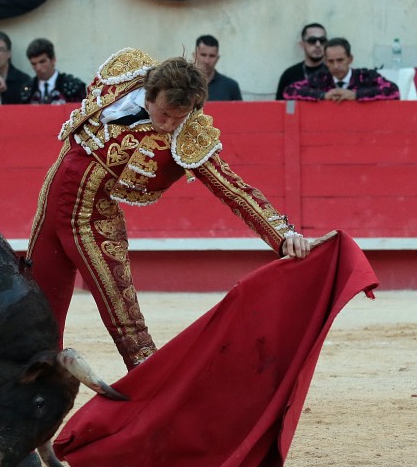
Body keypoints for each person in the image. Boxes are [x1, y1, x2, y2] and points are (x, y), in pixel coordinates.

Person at [26, 48, 311, 372]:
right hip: (52, 200)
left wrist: (283, 235)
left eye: (180, 116)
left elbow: (233, 188)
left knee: (129, 329)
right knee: (35, 310)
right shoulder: (124, 71)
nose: (170, 124)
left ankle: (157, 405)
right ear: (149, 93)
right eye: (164, 114)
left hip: (93, 219)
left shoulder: (187, 135)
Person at [283, 37, 400, 102]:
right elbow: (289, 91)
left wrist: (356, 95)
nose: (335, 66)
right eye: (331, 61)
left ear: (350, 59)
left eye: (340, 60)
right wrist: (323, 95)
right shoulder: (320, 78)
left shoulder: (365, 76)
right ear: (325, 62)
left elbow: (393, 90)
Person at [20, 38, 86, 105]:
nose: (38, 68)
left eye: (42, 62)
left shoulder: (73, 86)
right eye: (34, 64)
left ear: (53, 60)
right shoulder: (27, 90)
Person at [275, 23, 328, 100]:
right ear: (302, 45)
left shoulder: (334, 72)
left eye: (322, 40)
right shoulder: (289, 75)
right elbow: (279, 107)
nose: (318, 44)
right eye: (312, 40)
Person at [192, 34, 242, 101]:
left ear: (217, 58)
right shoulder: (182, 85)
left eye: (212, 56)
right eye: (203, 55)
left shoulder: (231, 86)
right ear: (194, 55)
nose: (207, 61)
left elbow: (239, 111)